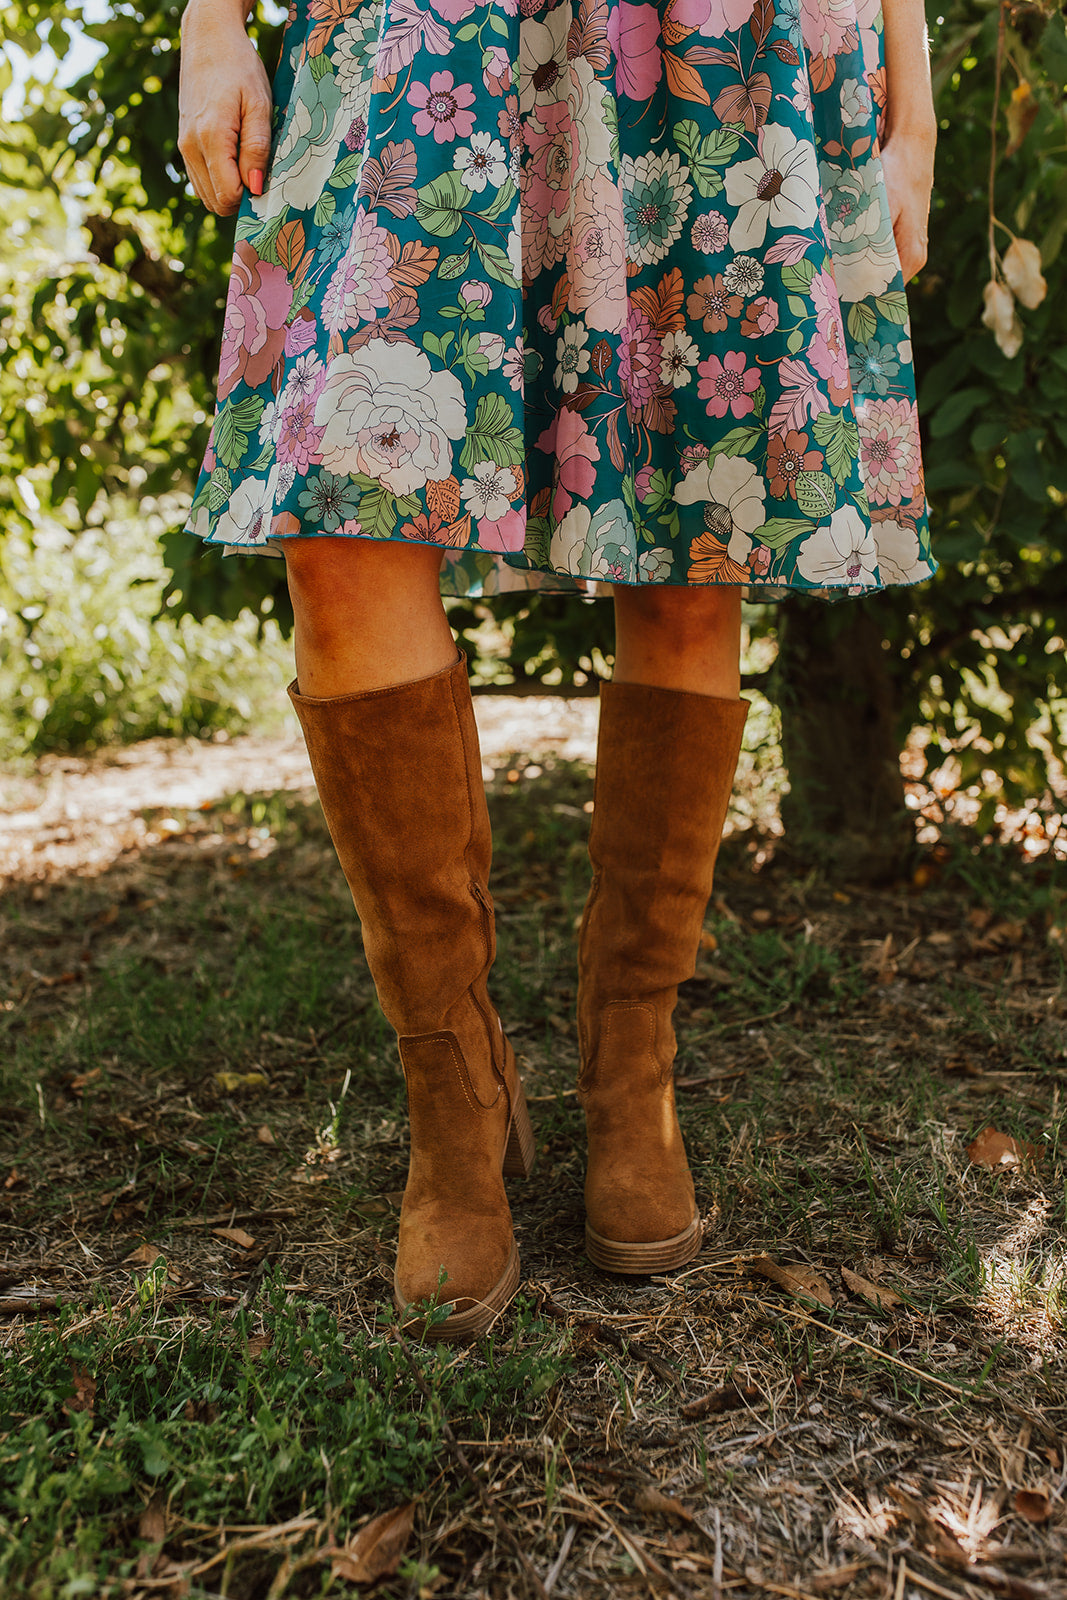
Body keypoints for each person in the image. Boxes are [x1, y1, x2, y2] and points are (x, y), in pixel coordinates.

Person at [178, 0, 936, 1340]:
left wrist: (913, 100)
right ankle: (455, 1102)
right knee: (347, 530)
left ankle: (627, 1071)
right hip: (420, 24)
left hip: (723, 34)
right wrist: (209, 21)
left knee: (703, 544)